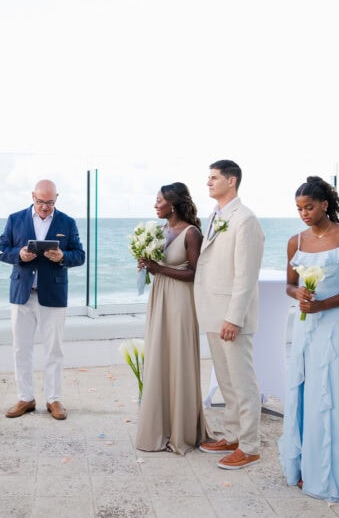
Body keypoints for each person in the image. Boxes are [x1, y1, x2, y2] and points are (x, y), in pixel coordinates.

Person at [278, 176, 339, 503]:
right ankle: (306, 467)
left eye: (309, 207)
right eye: (299, 208)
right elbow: (289, 284)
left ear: (325, 205)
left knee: (335, 392)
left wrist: (323, 305)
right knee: (306, 391)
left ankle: (335, 475)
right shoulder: (295, 241)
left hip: (337, 325)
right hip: (307, 327)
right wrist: (299, 293)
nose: (304, 213)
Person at [194, 159, 265, 470]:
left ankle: (250, 446)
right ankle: (233, 435)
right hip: (213, 310)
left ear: (231, 180)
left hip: (232, 316)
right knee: (225, 380)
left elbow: (246, 275)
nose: (208, 182)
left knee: (242, 382)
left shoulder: (245, 219)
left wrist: (234, 317)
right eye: (208, 177)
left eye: (214, 177)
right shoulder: (215, 215)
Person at [0, 179, 86, 421]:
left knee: (54, 349)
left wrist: (61, 256)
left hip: (53, 294)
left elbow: (80, 255)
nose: (45, 207)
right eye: (40, 202)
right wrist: (19, 254)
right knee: (21, 348)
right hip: (22, 293)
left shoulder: (67, 222)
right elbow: (1, 249)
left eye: (50, 202)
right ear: (32, 197)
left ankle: (53, 399)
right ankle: (25, 398)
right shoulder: (15, 219)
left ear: (57, 198)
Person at [135, 182, 208, 455]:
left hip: (181, 301)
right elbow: (158, 267)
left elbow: (196, 273)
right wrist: (147, 266)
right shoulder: (160, 231)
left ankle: (182, 429)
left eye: (159, 200)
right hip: (160, 297)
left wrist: (159, 269)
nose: (155, 205)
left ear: (173, 204)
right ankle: (160, 424)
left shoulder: (191, 233)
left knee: (178, 356)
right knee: (160, 355)